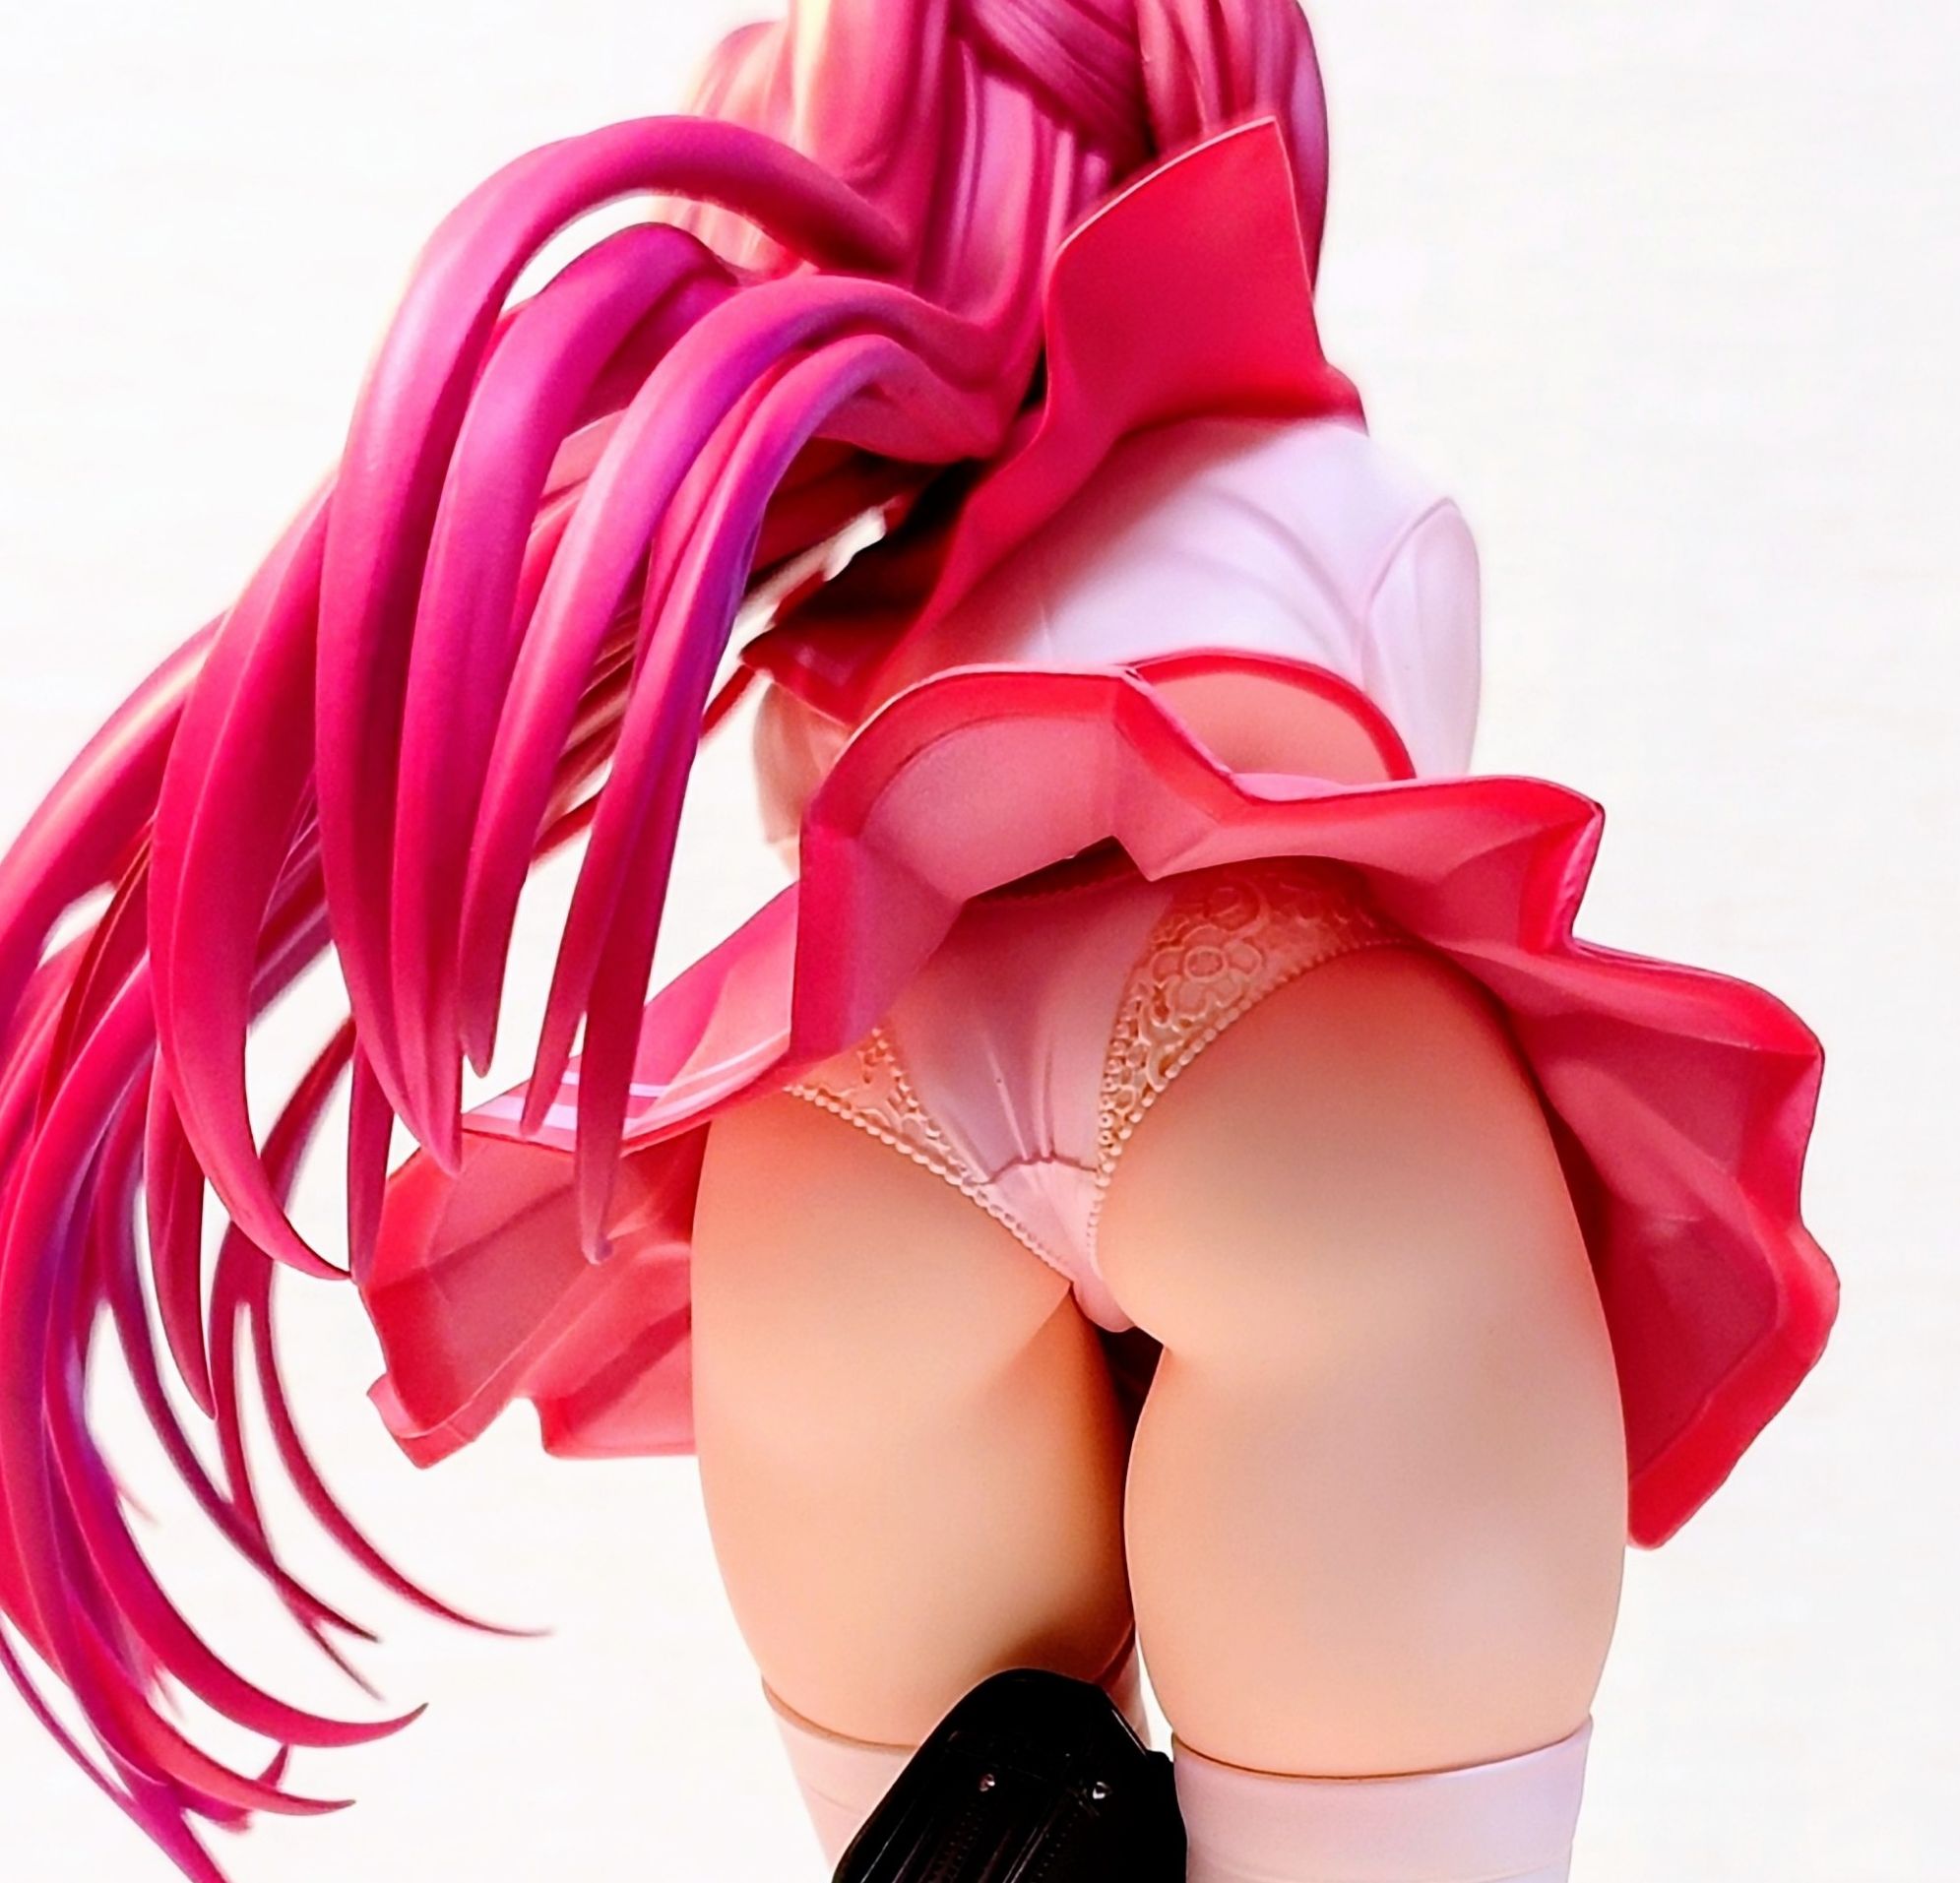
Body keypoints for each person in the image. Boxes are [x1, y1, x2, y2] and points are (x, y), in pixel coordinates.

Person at [0, 5, 1836, 1880]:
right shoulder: (1342, 490)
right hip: (1282, 1062)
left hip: (847, 1146)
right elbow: (1381, 800)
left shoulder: (849, 607)